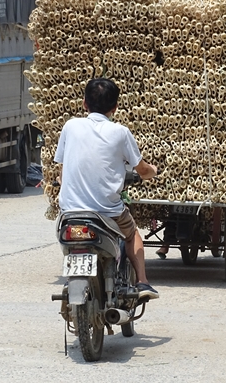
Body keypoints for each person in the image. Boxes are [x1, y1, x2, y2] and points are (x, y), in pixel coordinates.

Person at [54, 78, 159, 300]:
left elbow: (62, 171)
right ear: (115, 107)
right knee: (131, 235)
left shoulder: (70, 126)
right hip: (108, 211)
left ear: (84, 104)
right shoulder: (120, 132)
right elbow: (141, 169)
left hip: (71, 212)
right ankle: (142, 281)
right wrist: (152, 172)